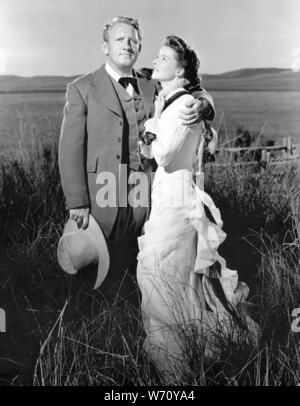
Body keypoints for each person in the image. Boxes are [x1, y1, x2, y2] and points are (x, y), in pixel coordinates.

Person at [58, 16, 215, 303]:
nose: (127, 45)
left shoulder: (150, 80)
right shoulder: (82, 88)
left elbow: (192, 86)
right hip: (103, 190)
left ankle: (138, 308)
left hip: (147, 188)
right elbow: (69, 149)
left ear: (140, 45)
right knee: (103, 257)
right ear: (105, 46)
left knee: (145, 257)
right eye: (119, 39)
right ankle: (96, 315)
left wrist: (205, 105)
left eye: (133, 40)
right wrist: (77, 200)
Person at [136, 35, 259, 375]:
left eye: (165, 57)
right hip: (171, 197)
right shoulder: (175, 101)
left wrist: (155, 120)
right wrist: (158, 113)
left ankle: (175, 365)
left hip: (176, 202)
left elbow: (161, 154)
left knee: (163, 276)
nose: (157, 61)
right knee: (174, 278)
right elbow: (151, 151)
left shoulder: (183, 106)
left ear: (182, 71)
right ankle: (188, 354)